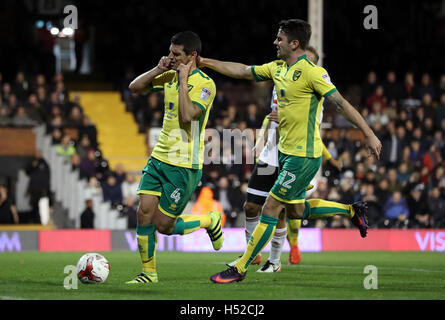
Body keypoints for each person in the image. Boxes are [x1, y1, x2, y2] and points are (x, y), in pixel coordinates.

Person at [200, 19, 382, 283]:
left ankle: (241, 267)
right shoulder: (277, 68)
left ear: (294, 43)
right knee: (296, 211)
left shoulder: (313, 73)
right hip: (285, 154)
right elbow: (242, 71)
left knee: (271, 207)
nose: (275, 42)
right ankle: (352, 211)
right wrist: (205, 61)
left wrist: (368, 133)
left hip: (304, 156)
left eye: (279, 39)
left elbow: (341, 104)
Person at [125, 31, 223, 284]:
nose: (171, 57)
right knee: (143, 214)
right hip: (159, 158)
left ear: (192, 56)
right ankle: (149, 273)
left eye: (176, 54)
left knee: (164, 226)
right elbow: (134, 88)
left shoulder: (205, 84)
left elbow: (188, 115)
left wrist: (182, 80)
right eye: (170, 52)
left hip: (183, 164)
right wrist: (157, 69)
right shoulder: (167, 75)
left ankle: (208, 220)